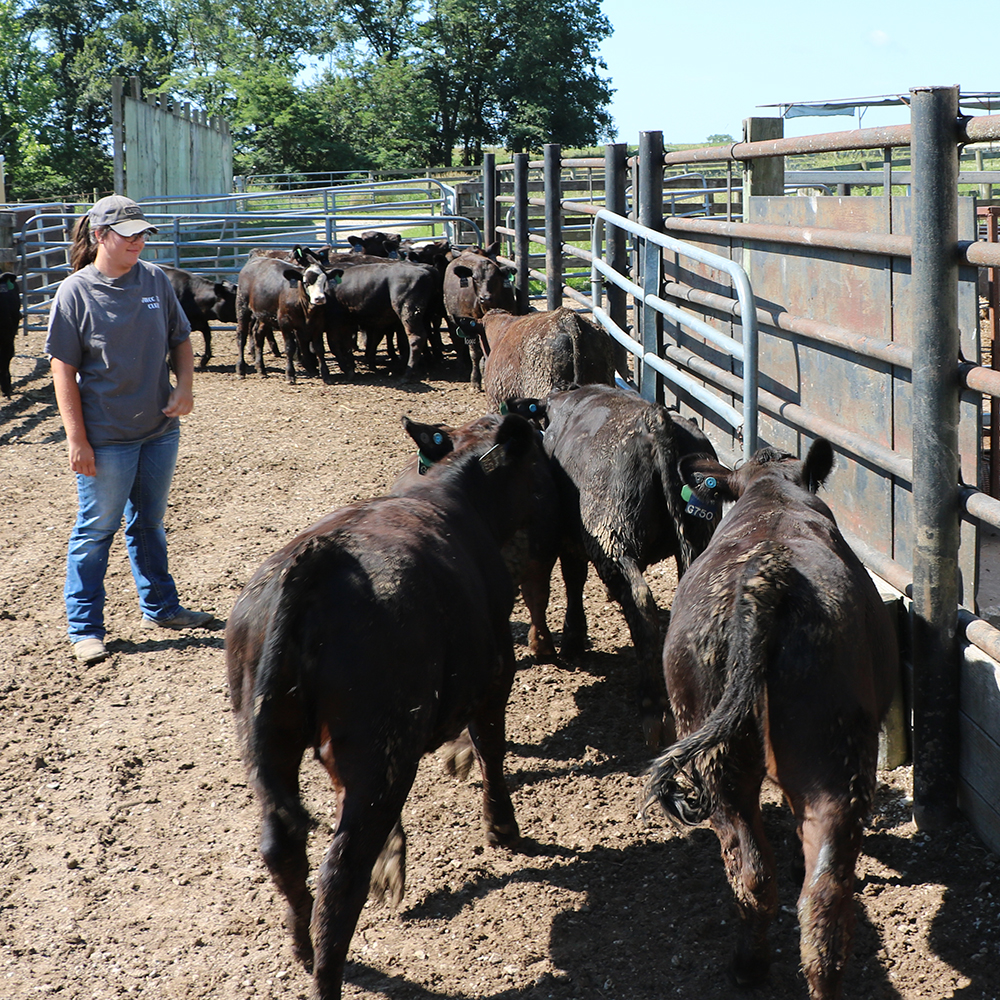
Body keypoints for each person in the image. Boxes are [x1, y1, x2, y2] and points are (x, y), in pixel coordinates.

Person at [46, 195, 213, 665]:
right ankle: (84, 629)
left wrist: (185, 388)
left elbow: (180, 338)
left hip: (159, 428)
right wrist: (76, 439)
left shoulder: (155, 280)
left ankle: (160, 608)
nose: (139, 242)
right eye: (129, 234)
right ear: (101, 236)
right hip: (107, 435)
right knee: (96, 530)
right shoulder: (75, 292)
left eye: (143, 234)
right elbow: (63, 370)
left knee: (148, 523)